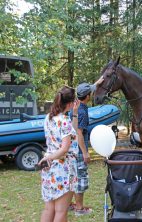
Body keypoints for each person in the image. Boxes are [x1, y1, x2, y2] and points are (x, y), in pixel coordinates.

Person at [38, 86, 80, 222]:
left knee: (49, 209)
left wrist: (75, 112)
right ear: (69, 103)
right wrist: (50, 157)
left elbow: (71, 131)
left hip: (49, 168)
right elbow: (65, 148)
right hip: (64, 169)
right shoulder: (63, 121)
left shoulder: (49, 118)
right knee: (61, 211)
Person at [69, 77, 104, 216]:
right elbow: (79, 134)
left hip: (71, 149)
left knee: (72, 177)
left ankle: (70, 204)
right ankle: (79, 208)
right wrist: (85, 153)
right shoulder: (82, 112)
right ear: (88, 97)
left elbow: (90, 88)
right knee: (80, 178)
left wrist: (99, 81)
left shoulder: (75, 106)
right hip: (78, 150)